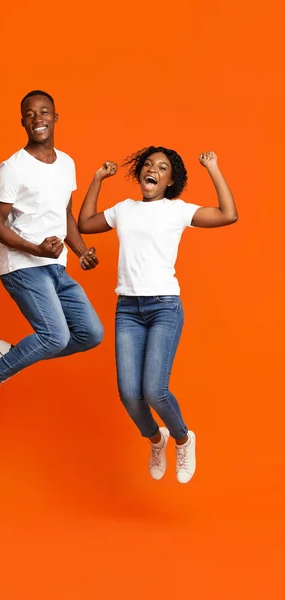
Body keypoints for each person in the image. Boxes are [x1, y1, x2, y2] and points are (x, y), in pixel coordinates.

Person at [78, 147, 237, 483]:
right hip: (128, 310)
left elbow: (228, 214)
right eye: (148, 164)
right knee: (128, 395)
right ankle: (156, 438)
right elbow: (85, 224)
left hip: (164, 306)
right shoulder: (125, 209)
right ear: (140, 174)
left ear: (170, 180)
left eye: (162, 167)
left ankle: (182, 438)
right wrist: (97, 180)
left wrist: (213, 167)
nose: (152, 169)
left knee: (154, 390)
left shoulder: (177, 211)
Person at [0, 90, 104, 432]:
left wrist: (81, 252)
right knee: (54, 336)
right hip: (22, 267)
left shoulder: (67, 163)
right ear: (23, 121)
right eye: (31, 114)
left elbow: (64, 213)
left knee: (91, 333)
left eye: (44, 112)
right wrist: (35, 248)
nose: (38, 119)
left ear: (55, 117)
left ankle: (9, 358)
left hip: (56, 265)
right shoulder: (13, 168)